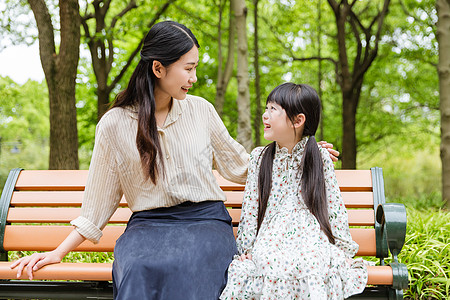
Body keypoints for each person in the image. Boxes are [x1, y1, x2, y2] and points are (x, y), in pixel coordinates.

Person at [10, 21, 339, 299]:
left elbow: (245, 166)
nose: (193, 78)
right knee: (137, 268)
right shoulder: (114, 124)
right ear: (158, 68)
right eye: (189, 68)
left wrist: (299, 149)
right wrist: (57, 252)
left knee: (201, 267)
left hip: (206, 222)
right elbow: (97, 204)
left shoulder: (200, 110)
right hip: (148, 227)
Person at [220, 83, 368, 300]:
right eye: (266, 108)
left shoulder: (319, 157)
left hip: (311, 236)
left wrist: (342, 250)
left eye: (273, 110)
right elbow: (251, 210)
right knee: (268, 263)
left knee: (313, 262)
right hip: (270, 238)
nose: (264, 115)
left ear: (298, 120)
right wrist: (247, 251)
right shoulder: (260, 158)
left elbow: (334, 207)